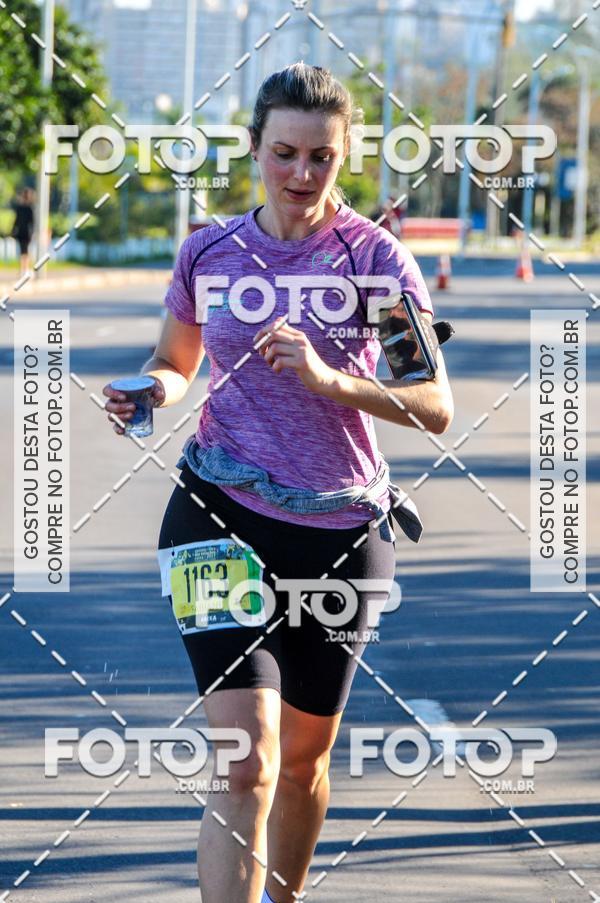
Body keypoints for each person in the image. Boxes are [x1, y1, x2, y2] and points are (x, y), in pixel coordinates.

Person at [103, 63, 454, 903]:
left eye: (321, 157)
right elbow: (176, 359)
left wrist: (331, 380)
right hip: (215, 512)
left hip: (338, 531)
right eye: (285, 152)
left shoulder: (374, 260)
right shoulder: (209, 251)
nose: (302, 173)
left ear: (345, 156)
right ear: (255, 147)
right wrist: (149, 390)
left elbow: (433, 403)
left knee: (301, 763)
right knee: (246, 761)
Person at [11, 187, 35, 276]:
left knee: (23, 251)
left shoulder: (20, 208)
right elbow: (32, 222)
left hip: (21, 232)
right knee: (25, 251)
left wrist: (13, 230)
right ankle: (25, 269)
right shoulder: (29, 208)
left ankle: (23, 269)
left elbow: (16, 221)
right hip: (26, 233)